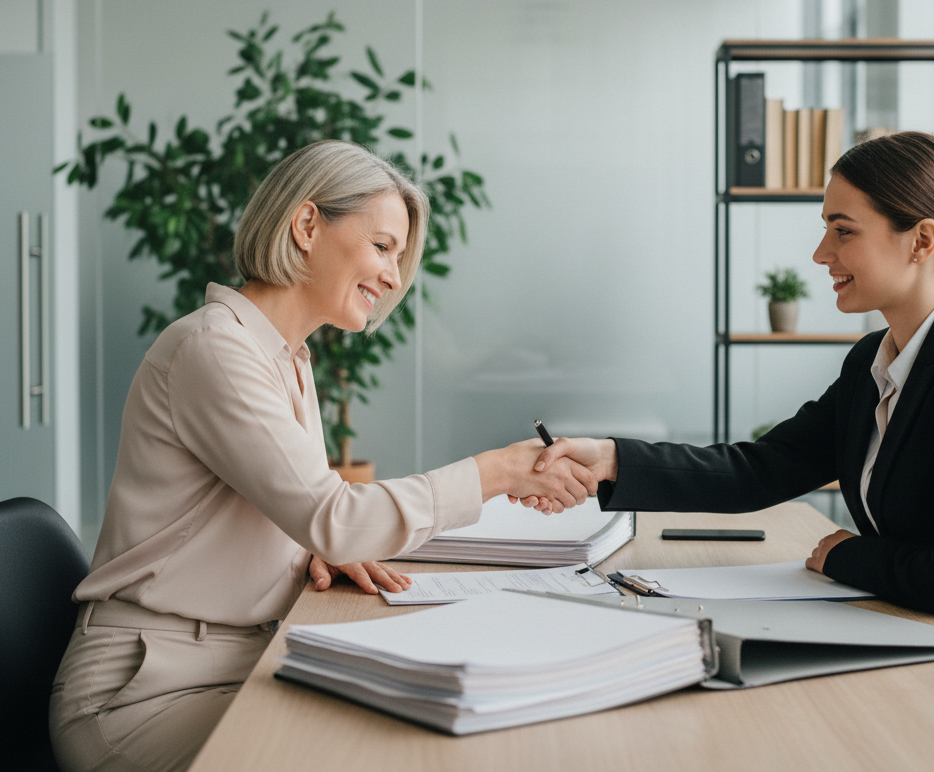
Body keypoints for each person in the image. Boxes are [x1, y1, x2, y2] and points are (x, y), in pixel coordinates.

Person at [49, 140, 595, 772]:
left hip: (235, 661)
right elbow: (334, 515)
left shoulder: (288, 359)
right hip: (143, 693)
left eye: (398, 257)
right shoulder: (213, 349)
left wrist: (305, 548)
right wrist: (498, 471)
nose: (394, 277)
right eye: (382, 246)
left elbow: (289, 510)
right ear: (307, 225)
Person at [531, 131, 934, 724]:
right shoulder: (870, 364)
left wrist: (846, 556)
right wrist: (611, 459)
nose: (820, 253)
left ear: (922, 240)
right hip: (930, 650)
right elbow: (759, 470)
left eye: (843, 230)